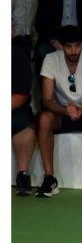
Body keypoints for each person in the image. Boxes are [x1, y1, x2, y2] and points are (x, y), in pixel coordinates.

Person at [36, 25, 82, 197]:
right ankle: (49, 178)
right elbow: (47, 100)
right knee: (45, 119)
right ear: (62, 46)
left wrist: (80, 111)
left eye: (77, 45)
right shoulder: (50, 59)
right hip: (62, 114)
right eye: (69, 46)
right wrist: (65, 109)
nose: (73, 50)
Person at [12, 43, 36, 196]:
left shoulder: (17, 55)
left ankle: (23, 174)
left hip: (12, 108)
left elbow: (20, 95)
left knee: (25, 127)